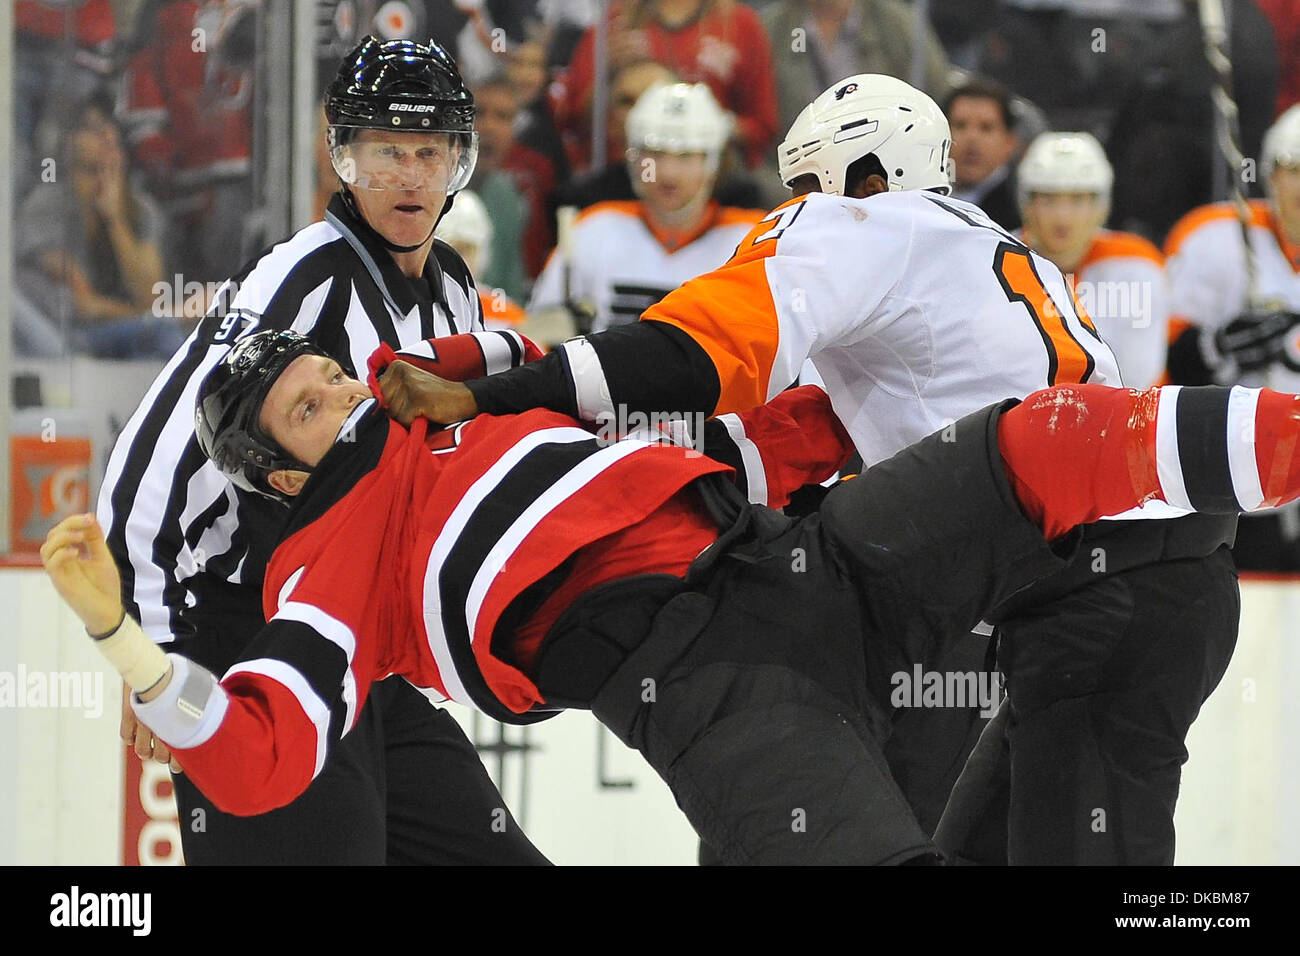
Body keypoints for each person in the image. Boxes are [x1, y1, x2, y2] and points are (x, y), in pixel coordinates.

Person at [390, 73, 1241, 865]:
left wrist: (496, 399)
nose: (797, 210)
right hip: (1121, 580)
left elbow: (699, 351)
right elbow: (793, 437)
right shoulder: (963, 263)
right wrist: (604, 468)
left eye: (811, 186)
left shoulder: (866, 227)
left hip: (1100, 586)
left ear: (868, 176)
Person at [46, 329, 1300, 864]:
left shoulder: (479, 407)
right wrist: (120, 638)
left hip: (803, 558)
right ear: (279, 470)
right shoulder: (321, 561)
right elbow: (259, 759)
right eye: (308, 407)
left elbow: (741, 448)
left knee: (1043, 434)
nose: (341, 395)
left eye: (330, 373)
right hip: (712, 686)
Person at [97, 36, 549, 865]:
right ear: (344, 156)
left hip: (348, 641)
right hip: (242, 637)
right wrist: (156, 657)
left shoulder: (452, 285)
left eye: (428, 151)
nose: (408, 176)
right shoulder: (298, 283)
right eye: (383, 151)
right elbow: (142, 476)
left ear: (460, 159)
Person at [529, 82, 764, 332]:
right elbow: (540, 332)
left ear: (712, 162)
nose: (667, 173)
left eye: (685, 156)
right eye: (655, 154)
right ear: (633, 158)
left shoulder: (755, 239)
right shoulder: (593, 226)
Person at [15, 97, 187, 360]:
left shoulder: (138, 208)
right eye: (94, 129)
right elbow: (84, 306)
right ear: (70, 142)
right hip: (61, 338)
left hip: (122, 334)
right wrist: (163, 316)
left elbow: (150, 295)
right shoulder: (48, 205)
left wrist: (115, 219)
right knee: (163, 330)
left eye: (110, 129)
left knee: (156, 353)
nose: (106, 137)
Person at [1017, 131, 1168, 388]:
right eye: (1049, 200)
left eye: (1077, 200)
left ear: (1101, 206)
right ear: (1028, 204)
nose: (1062, 217)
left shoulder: (1136, 264)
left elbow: (1134, 378)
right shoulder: (999, 253)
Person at [944, 77, 1022, 231]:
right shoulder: (916, 198)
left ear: (1009, 142)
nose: (972, 138)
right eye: (960, 125)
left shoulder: (1023, 214)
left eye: (986, 128)